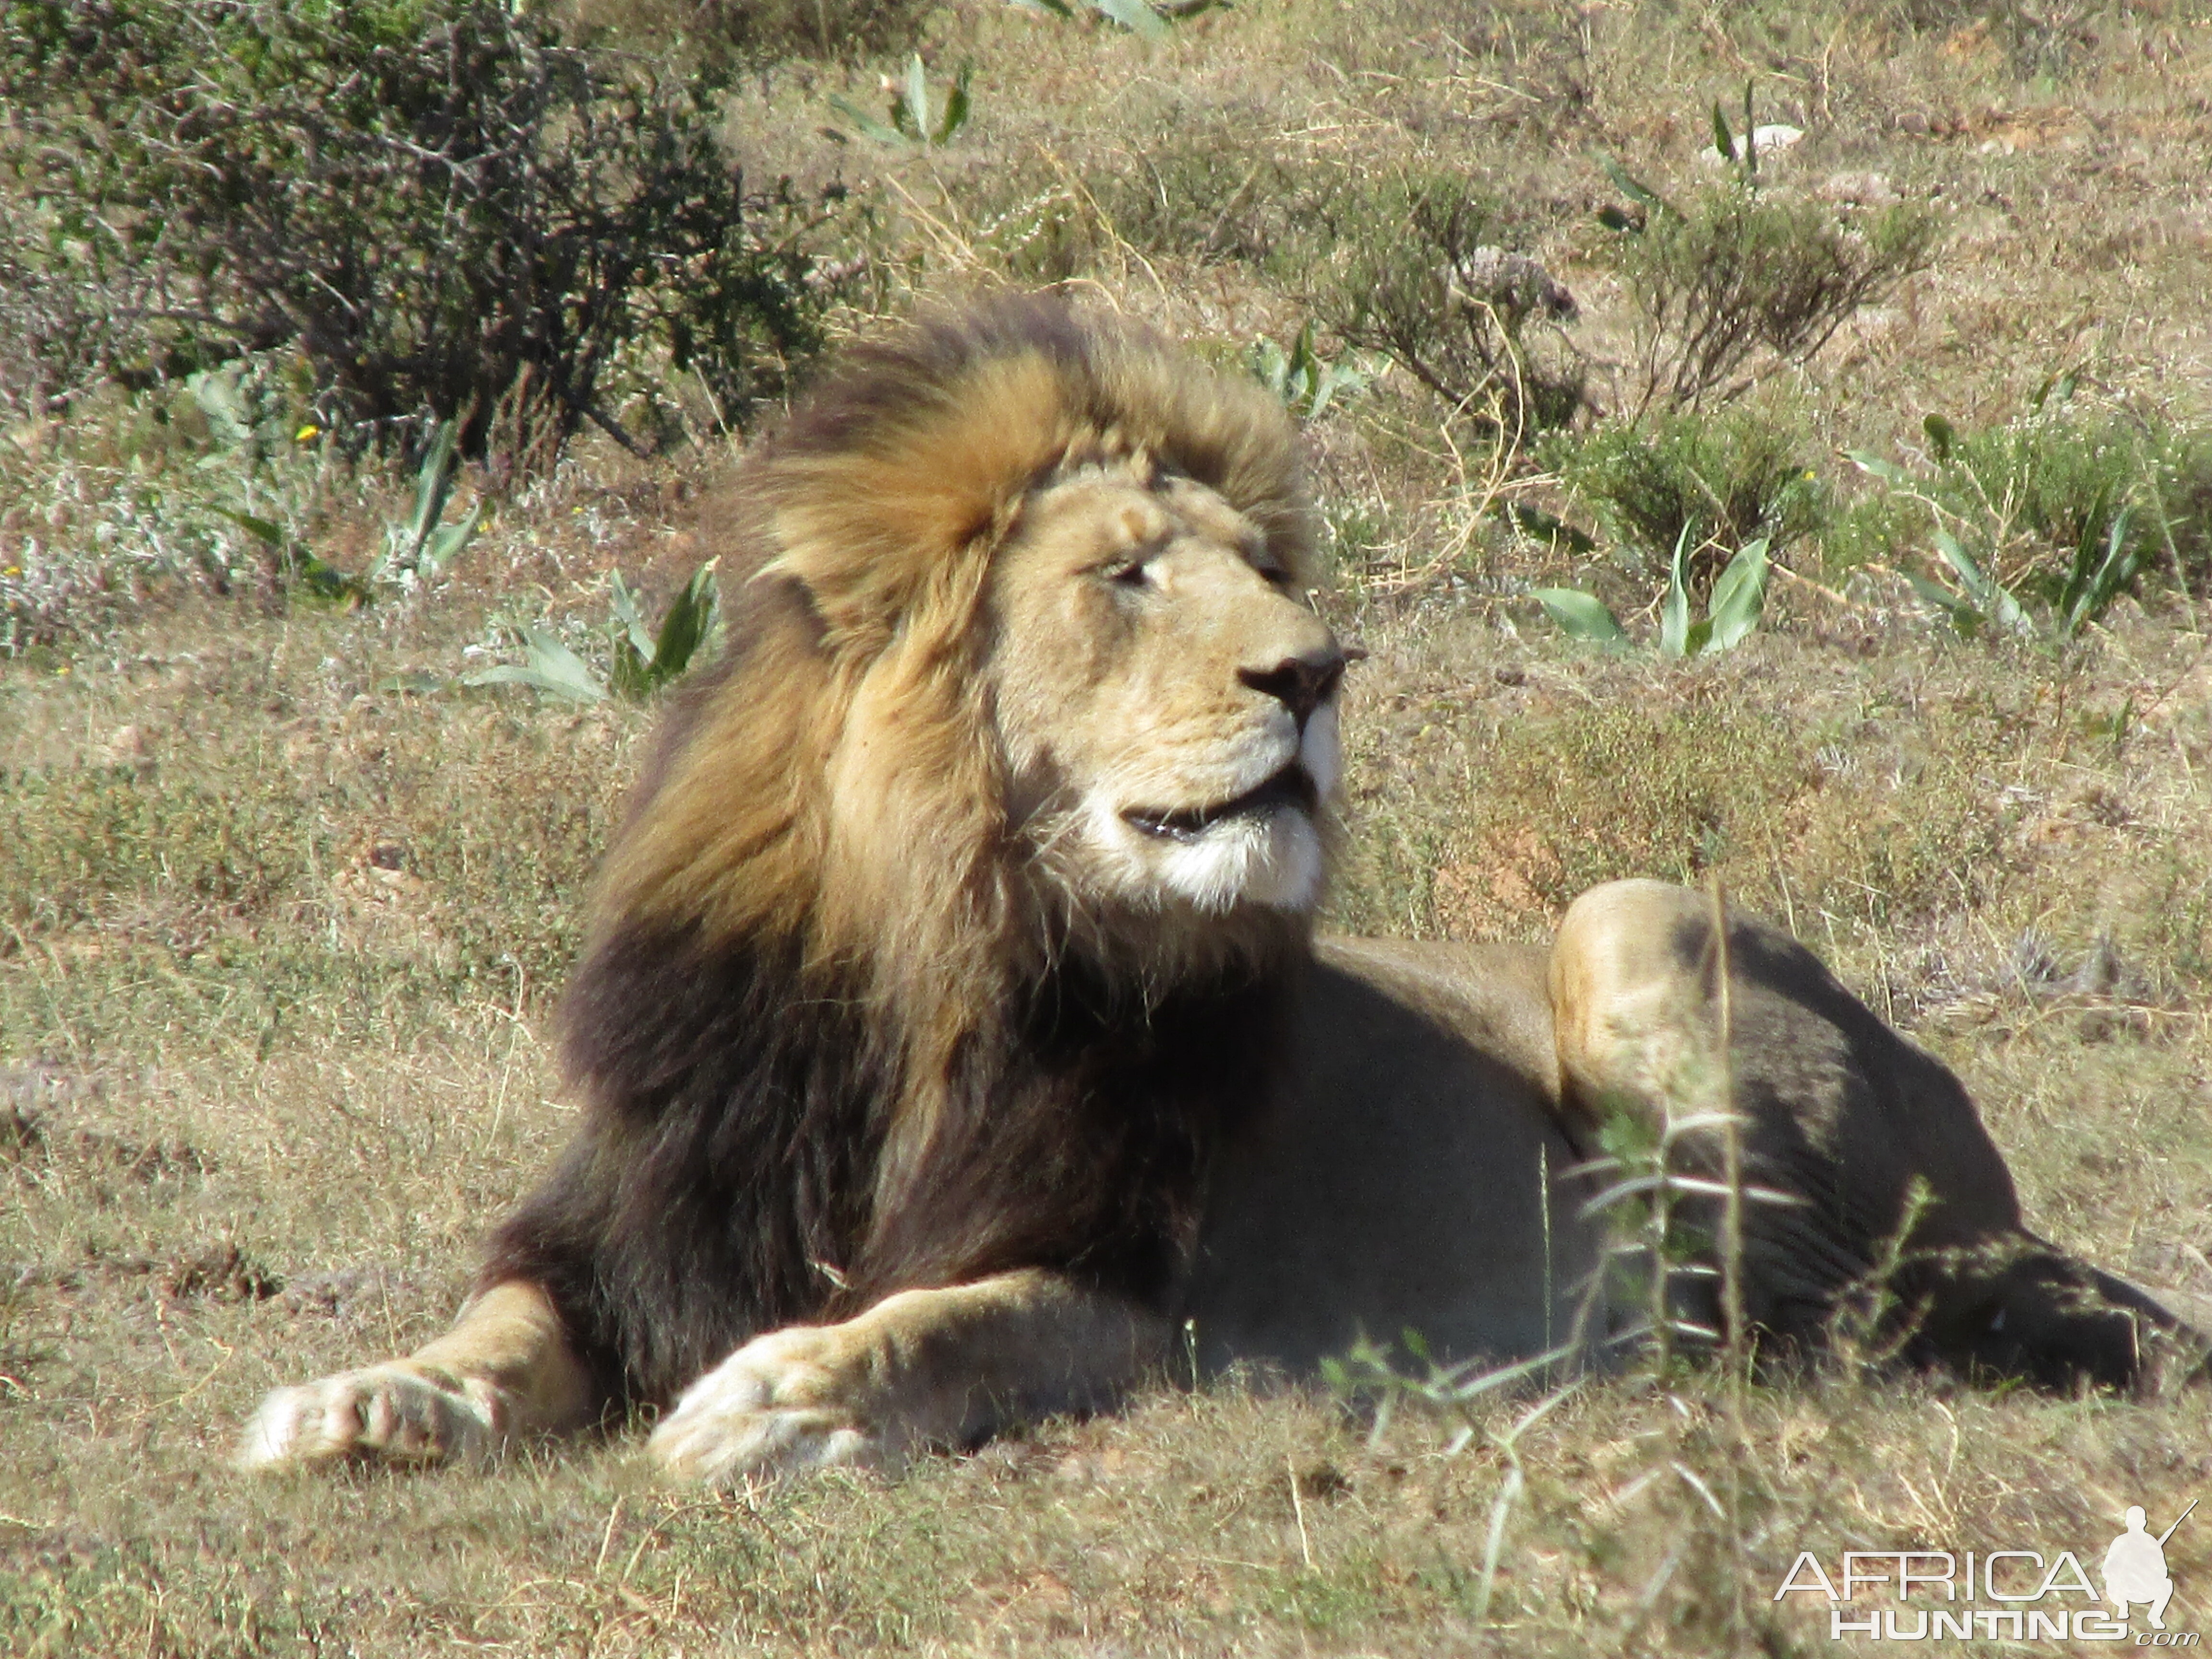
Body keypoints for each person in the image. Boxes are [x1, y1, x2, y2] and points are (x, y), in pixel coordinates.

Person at [2103, 1506, 2175, 1630]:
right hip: (2123, 1590)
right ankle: (2123, 1607)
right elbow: (2107, 1570)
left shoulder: (2150, 1543)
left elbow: (2163, 1571)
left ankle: (2155, 1616)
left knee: (2167, 1584)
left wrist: (2147, 1569)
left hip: (2145, 1591)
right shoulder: (2120, 1542)